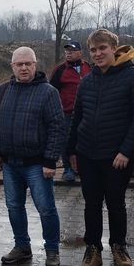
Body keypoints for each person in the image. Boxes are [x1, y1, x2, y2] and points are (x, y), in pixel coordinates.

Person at [67, 29, 134, 266]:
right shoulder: (87, 80)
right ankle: (92, 249)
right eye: (93, 50)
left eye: (102, 48)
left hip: (117, 157)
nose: (98, 54)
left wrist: (127, 151)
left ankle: (118, 247)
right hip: (87, 155)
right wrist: (71, 151)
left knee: (116, 203)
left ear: (114, 49)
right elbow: (77, 117)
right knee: (91, 204)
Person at [0, 46, 65, 266]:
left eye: (27, 63)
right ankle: (22, 246)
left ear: (35, 65)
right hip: (10, 163)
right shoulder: (3, 90)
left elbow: (57, 128)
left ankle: (52, 250)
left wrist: (51, 160)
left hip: (37, 164)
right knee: (14, 207)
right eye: (19, 64)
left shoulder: (48, 92)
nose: (23, 68)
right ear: (12, 66)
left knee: (46, 208)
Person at [49, 40, 91, 182]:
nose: (69, 53)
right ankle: (68, 169)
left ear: (80, 52)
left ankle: (81, 168)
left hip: (87, 112)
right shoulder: (60, 70)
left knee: (84, 140)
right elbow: (51, 91)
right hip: (66, 113)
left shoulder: (88, 68)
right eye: (67, 51)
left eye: (72, 51)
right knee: (67, 141)